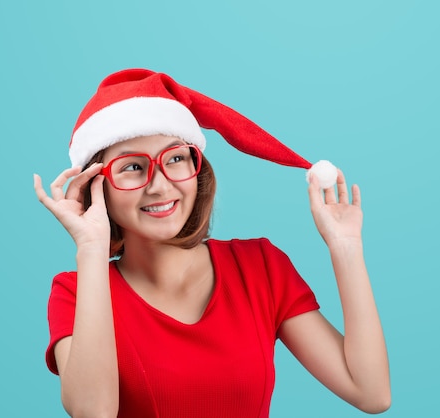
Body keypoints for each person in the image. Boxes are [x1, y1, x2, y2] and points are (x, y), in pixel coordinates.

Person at [34, 68, 391, 418]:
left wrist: (345, 246)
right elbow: (93, 411)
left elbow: (370, 392)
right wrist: (92, 247)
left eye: (175, 158)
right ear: (96, 186)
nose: (159, 185)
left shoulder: (259, 267)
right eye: (132, 167)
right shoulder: (75, 291)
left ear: (197, 167)